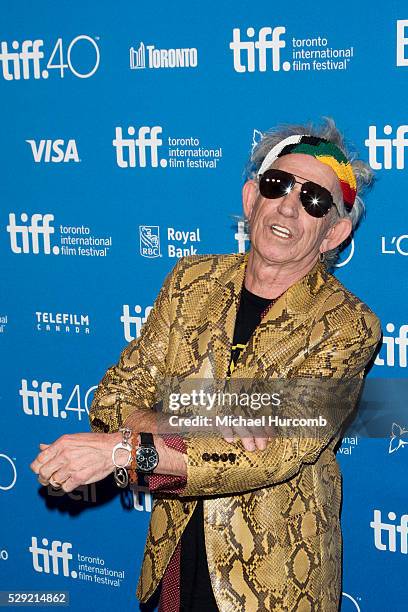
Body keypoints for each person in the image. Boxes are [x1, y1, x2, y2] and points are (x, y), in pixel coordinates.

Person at [31, 119, 381, 611]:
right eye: (277, 185)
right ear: (250, 199)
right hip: (177, 560)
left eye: (314, 200)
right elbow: (116, 393)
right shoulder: (191, 280)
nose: (288, 206)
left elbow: (273, 454)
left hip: (274, 583)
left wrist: (123, 453)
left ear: (334, 233)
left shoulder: (349, 326)